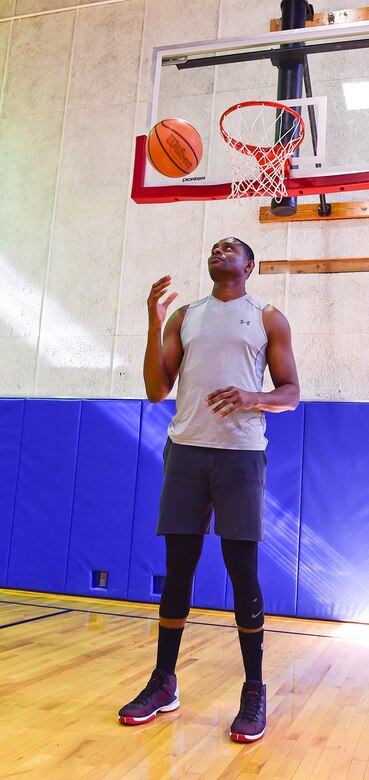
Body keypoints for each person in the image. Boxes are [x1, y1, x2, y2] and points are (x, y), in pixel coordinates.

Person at [118, 236, 299, 742]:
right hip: (187, 451)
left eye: (230, 248)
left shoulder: (268, 318)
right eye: (215, 247)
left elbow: (291, 394)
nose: (220, 251)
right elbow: (157, 390)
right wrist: (153, 324)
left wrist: (252, 397)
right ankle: (163, 682)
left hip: (240, 454)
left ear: (249, 265)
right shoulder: (186, 316)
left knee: (243, 572)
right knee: (178, 570)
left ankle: (254, 690)